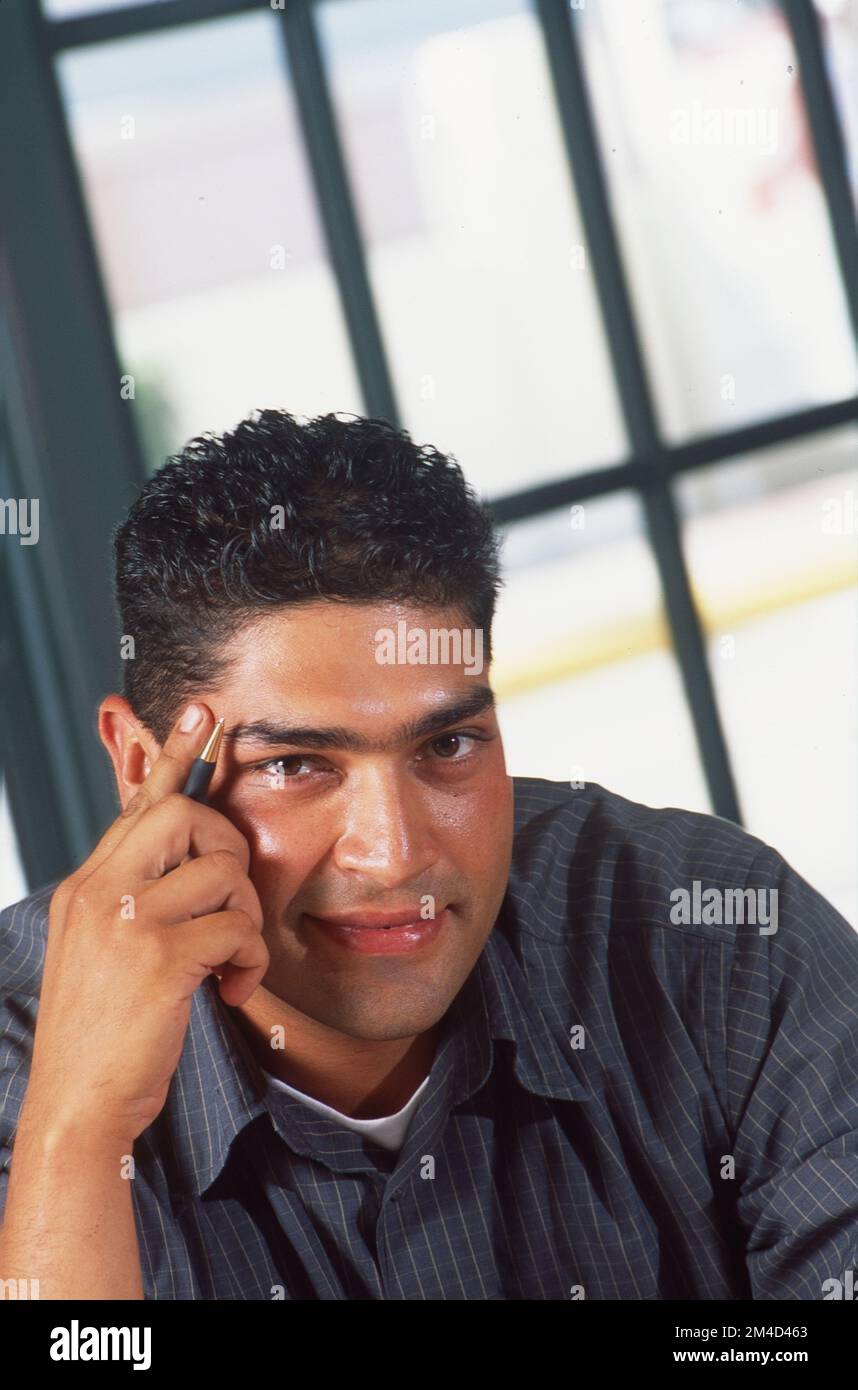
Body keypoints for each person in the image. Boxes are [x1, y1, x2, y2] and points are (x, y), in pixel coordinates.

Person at [1, 408, 857, 1301]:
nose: (395, 854)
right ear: (145, 771)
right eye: (296, 765)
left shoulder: (720, 940)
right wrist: (74, 1133)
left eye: (445, 746)